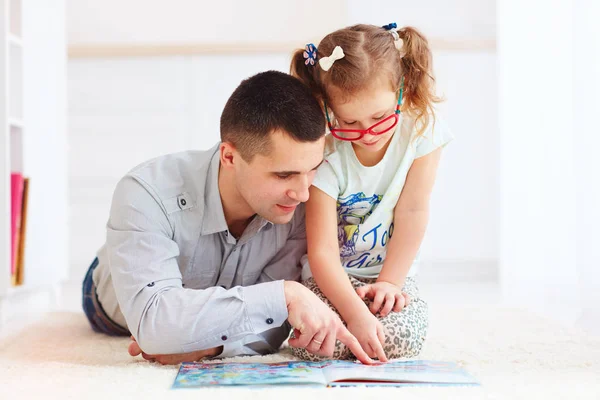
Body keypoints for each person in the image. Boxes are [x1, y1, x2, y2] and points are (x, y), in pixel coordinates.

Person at [81, 70, 374, 365]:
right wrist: (285, 294)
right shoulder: (146, 190)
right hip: (111, 305)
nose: (303, 193)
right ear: (229, 157)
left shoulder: (300, 206)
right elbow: (153, 324)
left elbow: (272, 330)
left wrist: (211, 349)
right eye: (284, 175)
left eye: (312, 169)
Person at [289, 23, 454, 361]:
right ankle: (350, 332)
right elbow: (321, 252)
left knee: (404, 337)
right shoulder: (326, 149)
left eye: (379, 116)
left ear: (402, 89)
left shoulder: (423, 132)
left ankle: (360, 331)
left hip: (389, 273)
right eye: (349, 122)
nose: (367, 133)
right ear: (327, 108)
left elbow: (412, 212)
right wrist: (355, 314)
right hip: (333, 278)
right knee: (318, 339)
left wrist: (391, 284)